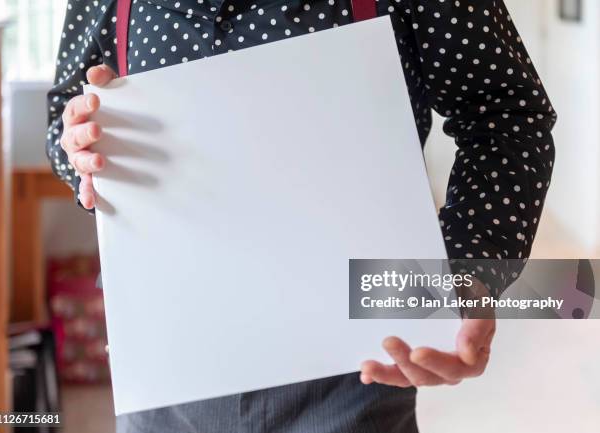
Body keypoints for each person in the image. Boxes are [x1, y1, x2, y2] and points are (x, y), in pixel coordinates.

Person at [46, 1, 556, 432]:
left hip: (354, 376)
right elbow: (62, 111)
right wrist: (80, 150)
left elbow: (505, 115)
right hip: (166, 369)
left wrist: (469, 271)